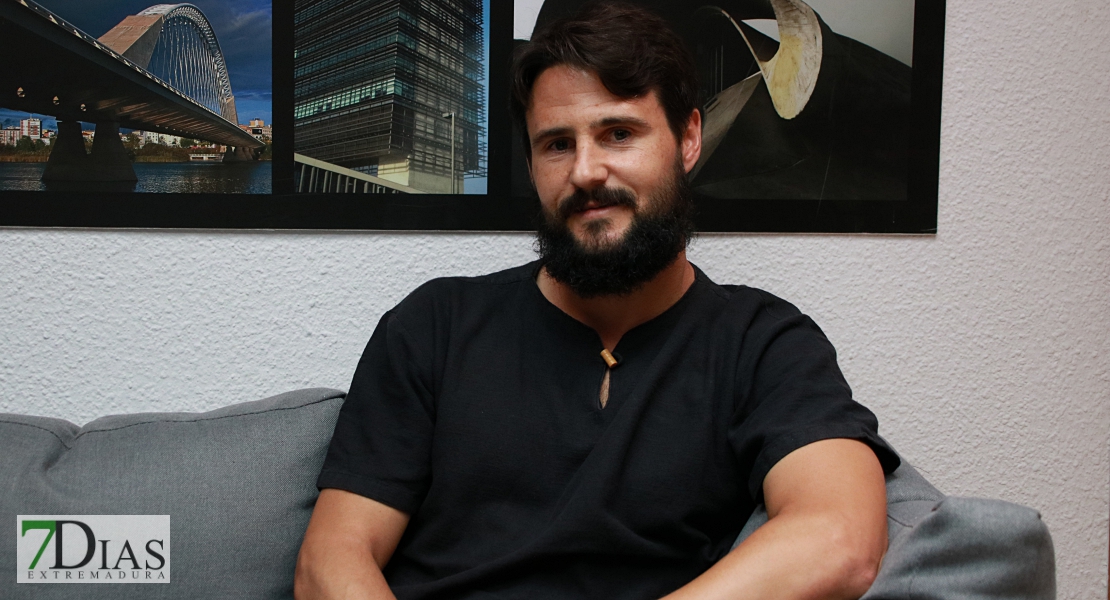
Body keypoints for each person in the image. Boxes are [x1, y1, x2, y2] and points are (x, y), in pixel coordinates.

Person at [294, 2, 899, 598]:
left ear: (688, 138)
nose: (585, 171)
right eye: (557, 144)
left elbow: (839, 539)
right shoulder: (434, 327)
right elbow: (331, 560)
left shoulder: (763, 344)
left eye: (619, 133)